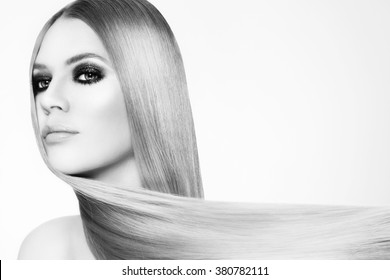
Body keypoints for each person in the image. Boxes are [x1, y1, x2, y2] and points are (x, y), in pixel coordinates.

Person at [18, 0, 390, 260]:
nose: (50, 99)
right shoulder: (50, 250)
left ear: (149, 87)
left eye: (87, 74)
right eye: (41, 81)